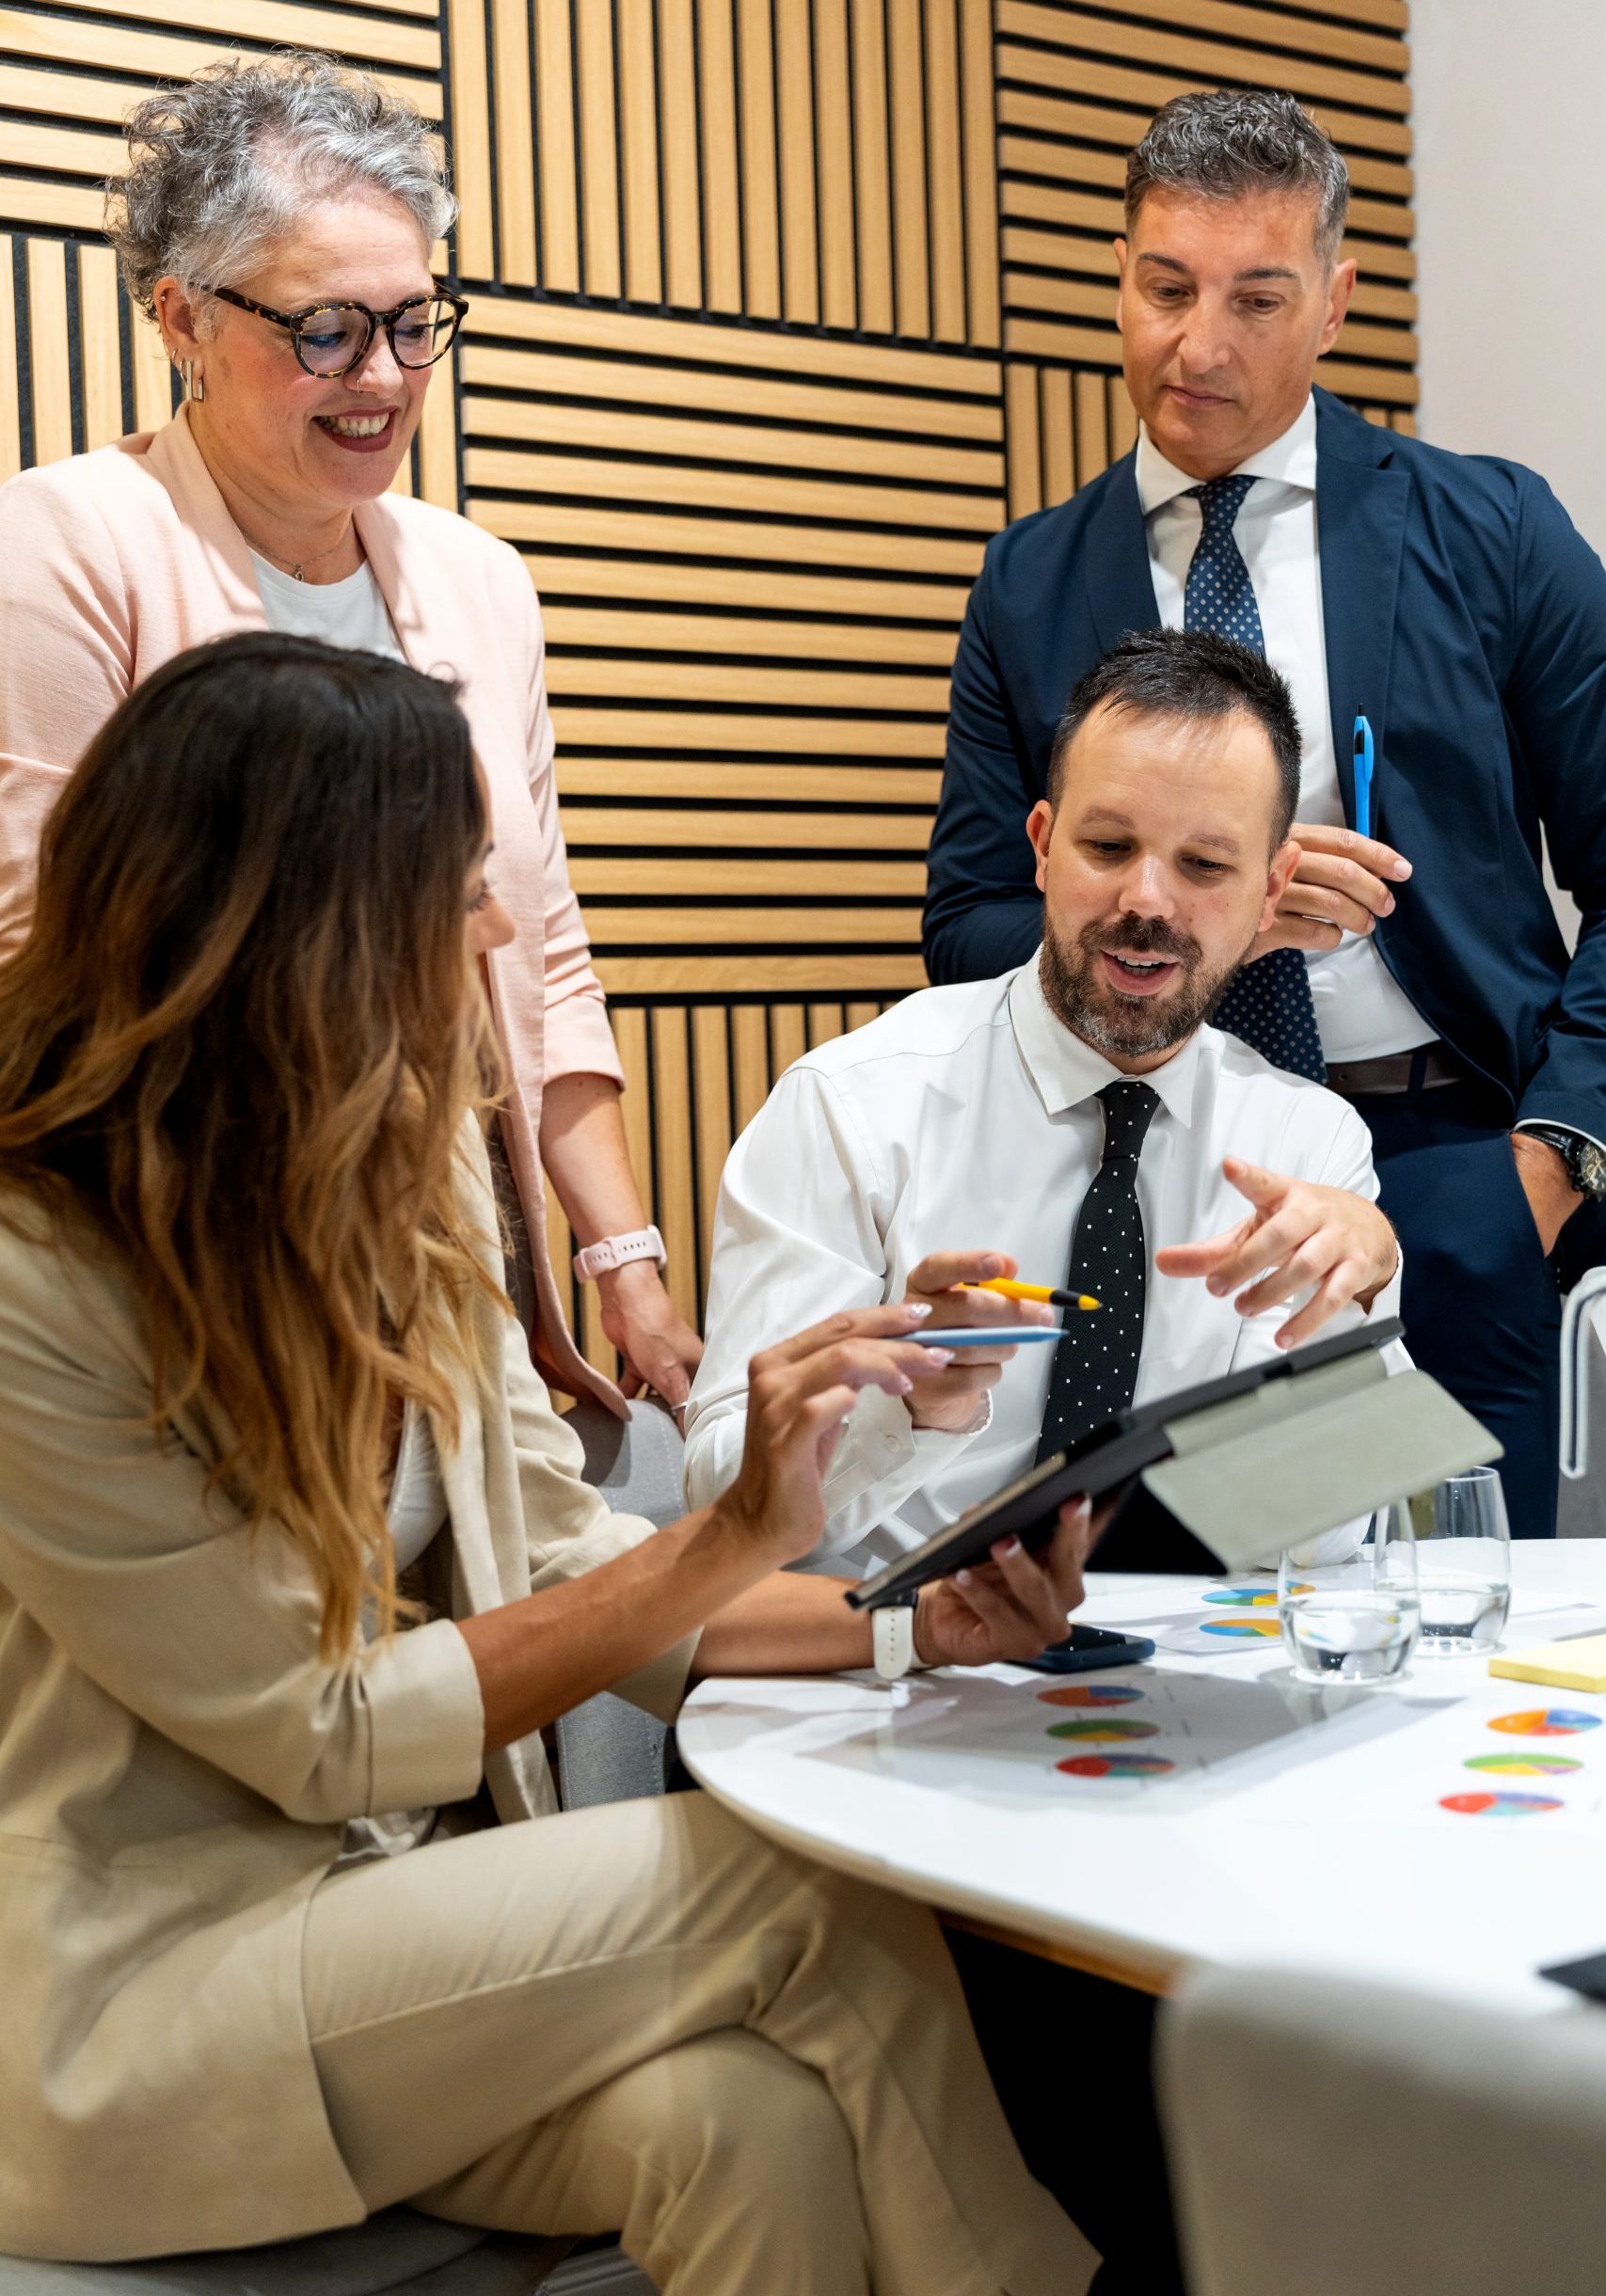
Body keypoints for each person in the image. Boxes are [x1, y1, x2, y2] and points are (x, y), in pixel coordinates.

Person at [0, 630, 1098, 2288]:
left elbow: (576, 1573)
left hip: (400, 1955)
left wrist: (898, 1627)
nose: (498, 932)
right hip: (135, 2011)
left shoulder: (411, 1167)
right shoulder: (34, 1270)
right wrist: (729, 1529)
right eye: (457, 896)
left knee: (744, 2124)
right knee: (793, 1889)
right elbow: (324, 1729)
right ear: (309, 933)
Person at [921, 87, 1606, 1539]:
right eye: (1161, 288)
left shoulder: (1491, 531)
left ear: (1335, 301)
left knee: (1454, 1626)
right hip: (1143, 1178)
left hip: (1450, 1165)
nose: (1197, 344)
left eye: (1254, 297)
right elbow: (969, 926)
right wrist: (1210, 918)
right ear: (1116, 277)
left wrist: (1543, 1166)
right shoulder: (1027, 584)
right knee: (1164, 1628)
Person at [0, 52, 698, 1420]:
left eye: (414, 320)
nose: (380, 376)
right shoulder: (62, 546)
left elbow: (539, 940)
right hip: (204, 1261)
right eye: (324, 330)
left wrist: (621, 1252)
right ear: (181, 317)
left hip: (455, 1248)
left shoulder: (477, 580)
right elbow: (46, 961)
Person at [686, 627, 1402, 1583]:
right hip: (882, 1685)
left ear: (1271, 888)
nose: (1146, 901)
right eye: (1108, 846)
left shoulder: (1308, 1143)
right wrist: (908, 1407)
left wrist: (1354, 1304)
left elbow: (1334, 1543)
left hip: (1190, 1684)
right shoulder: (850, 1108)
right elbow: (715, 1496)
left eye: (1204, 866)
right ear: (1041, 845)